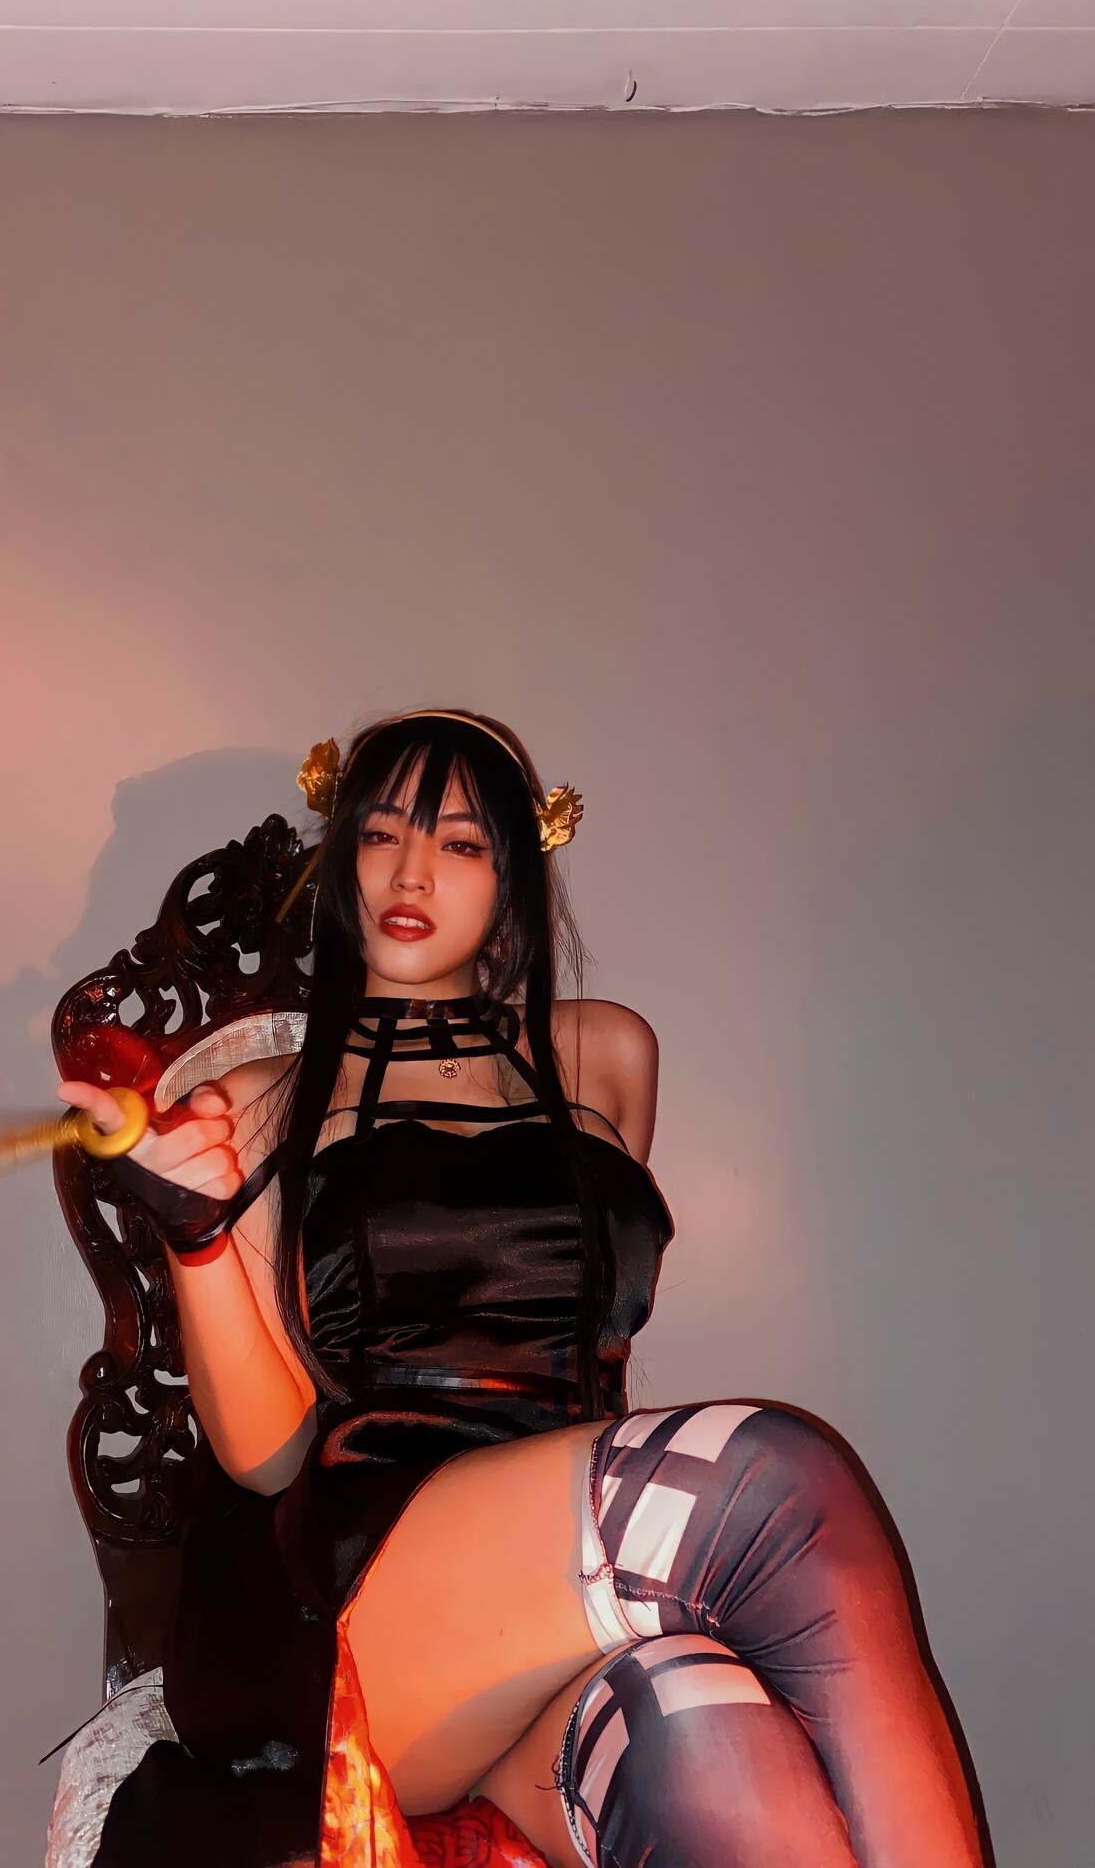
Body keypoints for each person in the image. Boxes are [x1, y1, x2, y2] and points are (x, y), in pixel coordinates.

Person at [61, 710, 984, 1868]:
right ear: (341, 860)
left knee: (706, 1739)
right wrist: (195, 1238)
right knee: (775, 1478)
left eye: (460, 844)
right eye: (380, 834)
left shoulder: (606, 1056)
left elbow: (586, 1354)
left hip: (546, 1602)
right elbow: (267, 1457)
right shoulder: (259, 1095)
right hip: (351, 1591)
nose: (410, 872)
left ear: (515, 879)